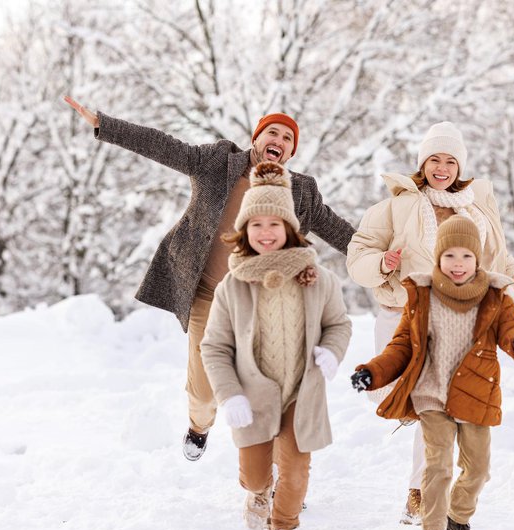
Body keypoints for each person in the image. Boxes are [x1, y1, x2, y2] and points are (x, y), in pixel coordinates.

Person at [64, 96, 355, 461]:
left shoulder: (301, 191)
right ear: (257, 138)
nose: (278, 141)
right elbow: (164, 146)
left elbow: (338, 230)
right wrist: (104, 125)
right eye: (272, 133)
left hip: (265, 304)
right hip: (209, 296)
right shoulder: (218, 162)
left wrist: (380, 254)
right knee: (203, 391)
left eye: (287, 139)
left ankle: (281, 474)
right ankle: (199, 425)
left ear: (291, 153)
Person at [345, 121, 514, 524]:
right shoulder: (396, 206)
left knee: (438, 403)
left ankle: (420, 492)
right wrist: (381, 263)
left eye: (450, 161)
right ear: (422, 163)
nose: (442, 168)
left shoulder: (476, 206)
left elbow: (495, 252)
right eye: (434, 160)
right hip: (402, 314)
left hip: (458, 316)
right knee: (410, 399)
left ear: (459, 165)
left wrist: (513, 273)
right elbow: (357, 255)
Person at [350, 215, 514, 530]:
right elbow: (400, 347)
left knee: (478, 468)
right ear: (438, 258)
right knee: (437, 465)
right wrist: (373, 372)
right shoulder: (422, 296)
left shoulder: (495, 296)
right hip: (431, 394)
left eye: (466, 256)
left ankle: (458, 518)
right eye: (450, 255)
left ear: (477, 259)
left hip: (477, 394)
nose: (458, 264)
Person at [200, 162, 351, 530]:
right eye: (256, 224)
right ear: (244, 230)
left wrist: (333, 351)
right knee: (254, 474)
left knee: (297, 471)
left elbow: (339, 323)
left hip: (301, 394)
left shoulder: (317, 278)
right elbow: (214, 346)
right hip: (252, 394)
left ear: (290, 227)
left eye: (275, 223)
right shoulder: (232, 286)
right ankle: (256, 493)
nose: (266, 233)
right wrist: (228, 394)